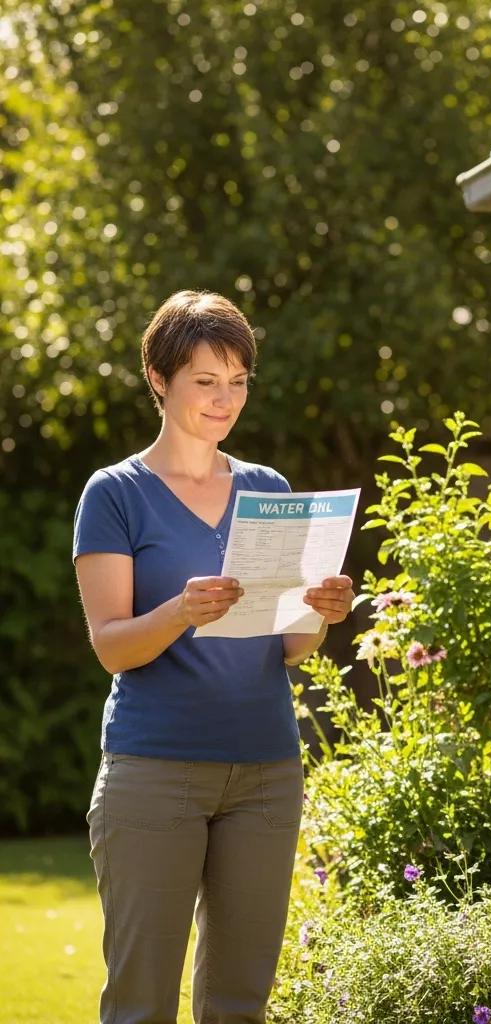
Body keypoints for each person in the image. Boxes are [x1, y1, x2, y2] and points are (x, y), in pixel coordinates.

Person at [73, 289, 354, 1024]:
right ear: (160, 381)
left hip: (265, 772)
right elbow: (110, 644)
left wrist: (320, 615)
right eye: (206, 380)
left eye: (238, 382)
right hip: (153, 773)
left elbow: (288, 645)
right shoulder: (115, 494)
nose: (224, 399)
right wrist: (179, 612)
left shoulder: (270, 490)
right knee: (140, 1004)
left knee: (240, 1003)